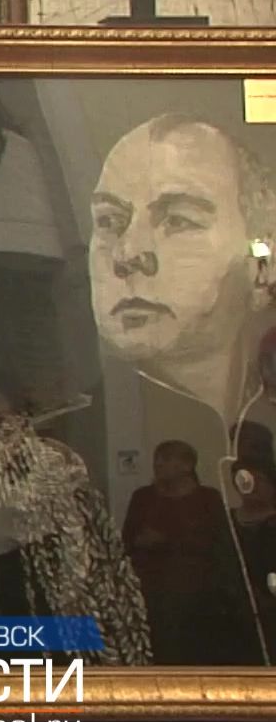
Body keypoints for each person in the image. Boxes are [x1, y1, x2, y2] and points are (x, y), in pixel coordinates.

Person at [90, 113, 276, 488]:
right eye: (109, 221)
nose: (127, 253)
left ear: (261, 269)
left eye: (178, 220)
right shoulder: (54, 460)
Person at [121, 439, 266, 664]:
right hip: (150, 590)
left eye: (166, 459)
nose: (158, 464)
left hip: (198, 593)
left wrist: (167, 541)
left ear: (187, 465)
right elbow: (127, 539)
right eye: (157, 459)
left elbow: (217, 543)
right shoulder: (143, 497)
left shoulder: (208, 499)